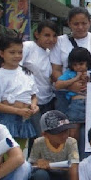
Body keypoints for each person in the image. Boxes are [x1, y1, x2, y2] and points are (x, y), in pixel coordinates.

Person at [50, 7, 91, 112]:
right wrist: (70, 85)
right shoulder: (60, 41)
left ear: (90, 22)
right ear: (69, 23)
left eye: (84, 23)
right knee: (66, 126)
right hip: (65, 95)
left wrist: (89, 86)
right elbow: (56, 70)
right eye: (76, 24)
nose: (80, 27)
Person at [0, 36, 38, 150]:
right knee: (7, 153)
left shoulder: (26, 72)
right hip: (7, 119)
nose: (17, 56)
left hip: (25, 119)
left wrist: (34, 105)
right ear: (1, 53)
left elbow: (33, 95)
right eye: (12, 52)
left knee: (20, 151)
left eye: (20, 52)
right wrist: (18, 111)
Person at [21, 20, 58, 153]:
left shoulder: (50, 53)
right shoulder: (28, 47)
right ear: (37, 34)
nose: (51, 39)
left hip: (48, 100)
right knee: (38, 136)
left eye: (54, 36)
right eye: (47, 35)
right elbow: (16, 68)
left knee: (45, 136)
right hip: (31, 101)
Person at [55, 47, 91, 141]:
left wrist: (90, 79)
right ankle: (73, 151)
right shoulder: (69, 73)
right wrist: (74, 79)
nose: (78, 67)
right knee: (73, 132)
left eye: (81, 64)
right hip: (75, 104)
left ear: (88, 62)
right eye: (75, 65)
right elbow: (57, 85)